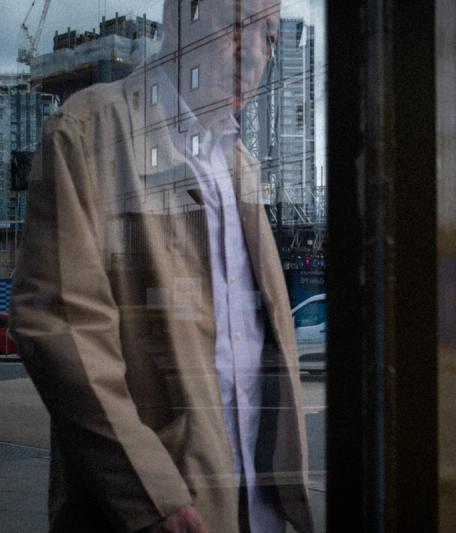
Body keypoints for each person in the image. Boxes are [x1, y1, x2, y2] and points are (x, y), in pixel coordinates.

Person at [11, 1, 313, 532]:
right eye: (236, 24)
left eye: (267, 35)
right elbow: (62, 327)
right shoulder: (88, 132)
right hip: (164, 512)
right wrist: (151, 496)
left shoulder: (240, 163)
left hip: (257, 509)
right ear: (179, 18)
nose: (253, 53)